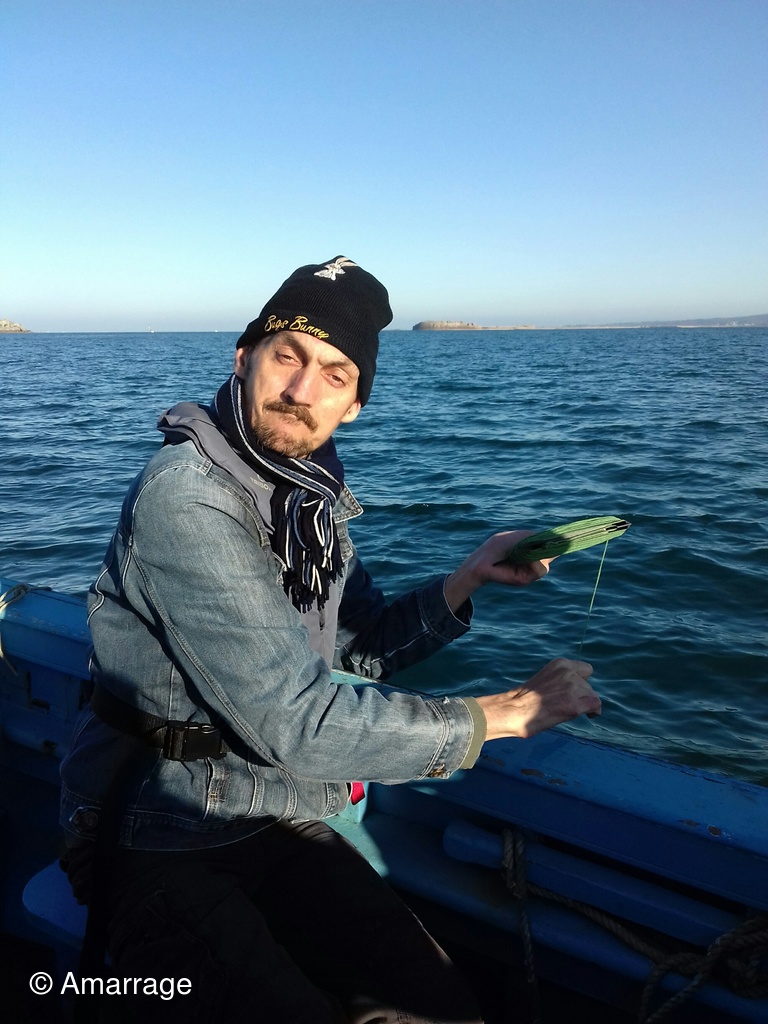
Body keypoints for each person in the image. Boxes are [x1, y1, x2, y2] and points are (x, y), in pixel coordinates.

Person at [60, 256, 600, 1024]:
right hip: (154, 826)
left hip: (270, 810)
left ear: (354, 406)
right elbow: (295, 721)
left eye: (335, 374)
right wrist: (502, 714)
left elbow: (360, 644)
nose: (302, 389)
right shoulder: (187, 496)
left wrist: (468, 577)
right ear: (244, 358)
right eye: (288, 356)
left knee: (439, 1009)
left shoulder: (309, 501)